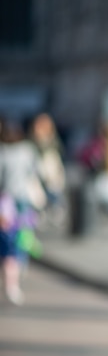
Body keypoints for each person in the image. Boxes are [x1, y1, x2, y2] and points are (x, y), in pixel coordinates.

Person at [0, 118, 43, 305]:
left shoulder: (2, 153)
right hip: (23, 202)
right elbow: (35, 172)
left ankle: (11, 283)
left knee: (8, 244)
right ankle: (18, 270)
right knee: (22, 237)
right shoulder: (27, 151)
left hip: (6, 203)